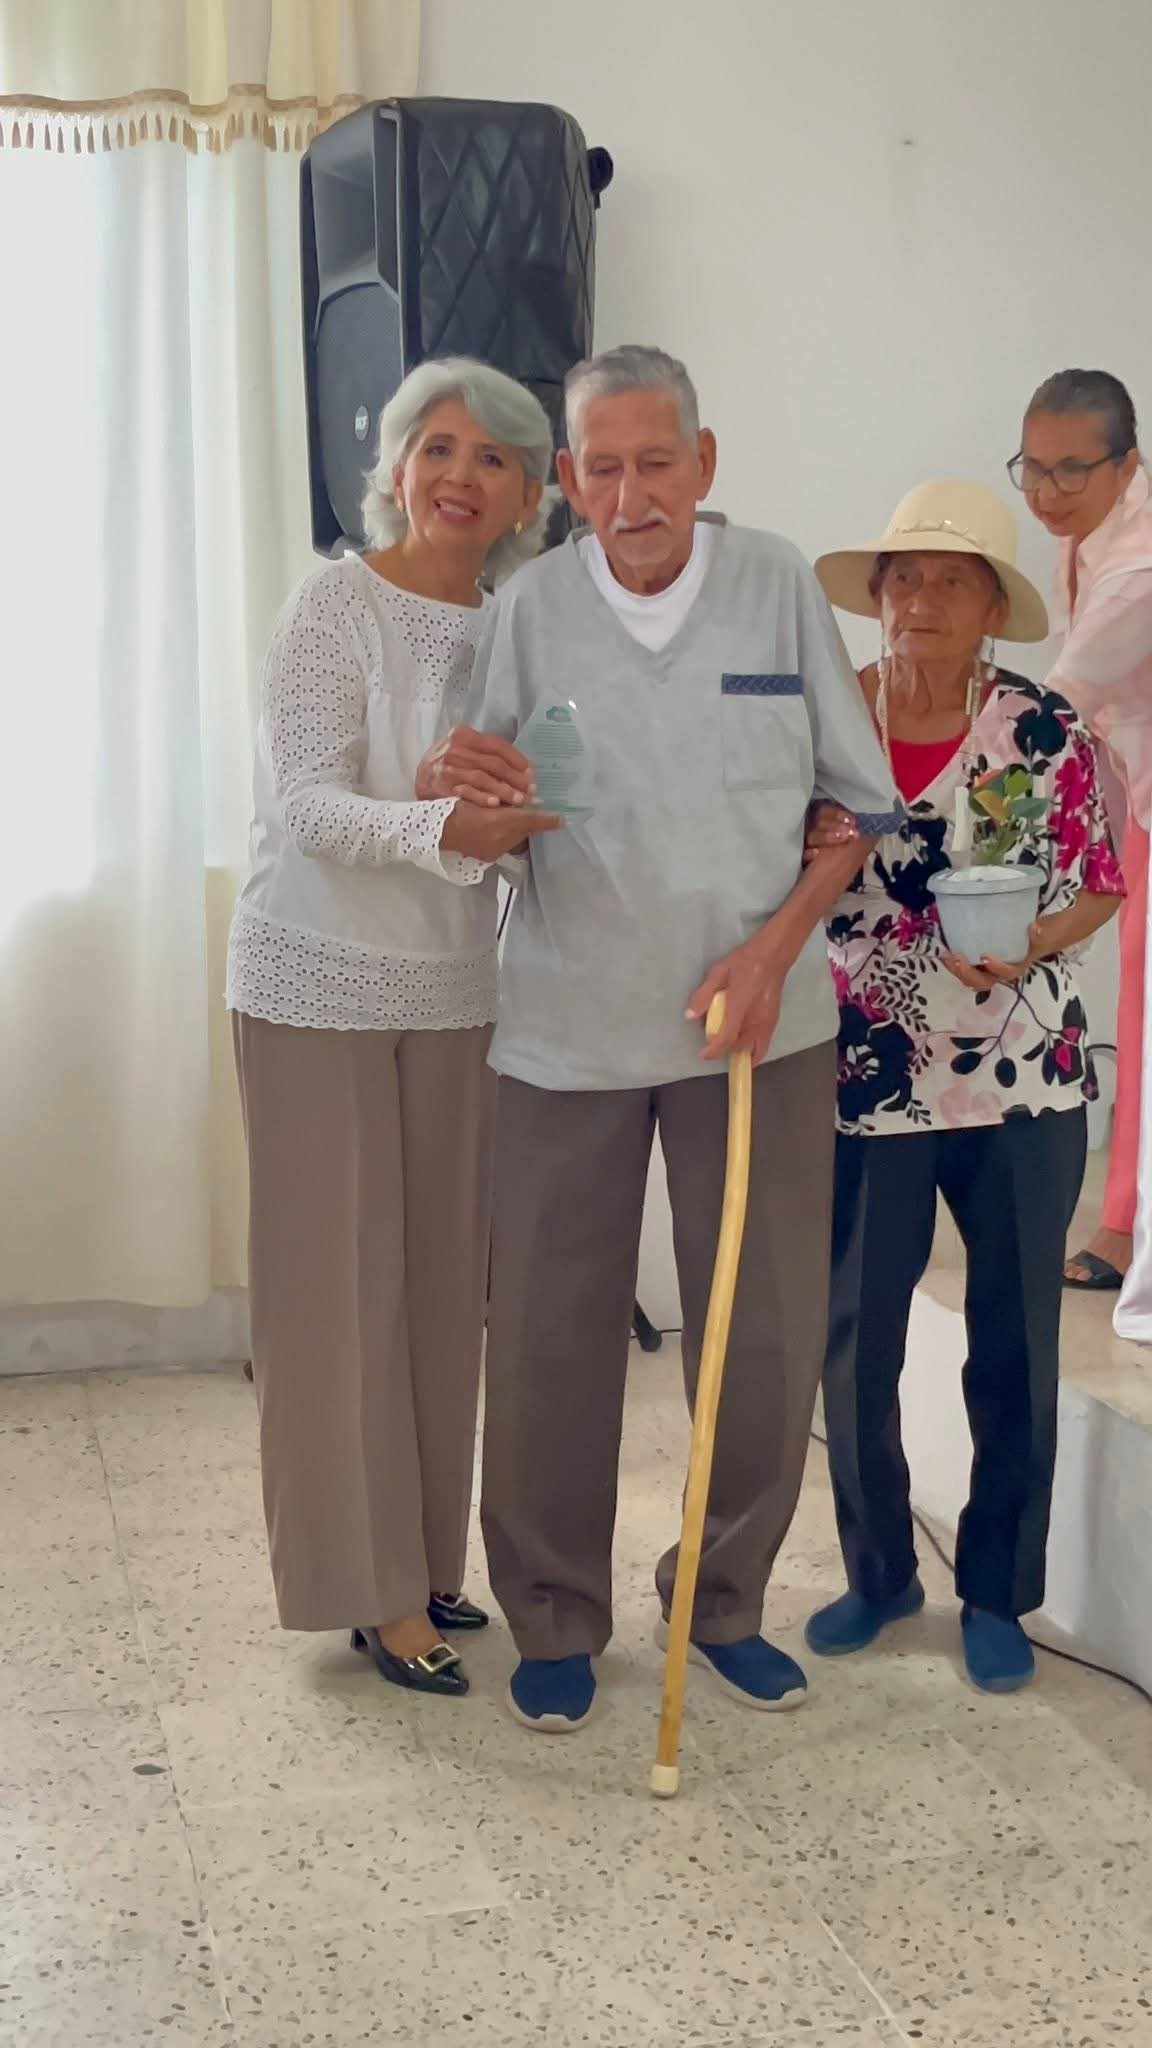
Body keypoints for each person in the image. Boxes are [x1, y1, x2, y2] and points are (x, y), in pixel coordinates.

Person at [418, 344, 902, 1732]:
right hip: (564, 1030)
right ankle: (555, 1612)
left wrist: (772, 950)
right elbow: (475, 809)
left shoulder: (776, 587)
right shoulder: (528, 608)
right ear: (569, 483)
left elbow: (856, 811)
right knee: (550, 1335)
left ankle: (725, 1601)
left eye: (656, 462)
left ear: (705, 463)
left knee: (761, 1334)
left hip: (758, 1033)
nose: (632, 496)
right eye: (603, 469)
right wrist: (469, 799)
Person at [227, 359, 562, 1699]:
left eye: (493, 457)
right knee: (335, 1299)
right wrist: (441, 820)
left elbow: (529, 814)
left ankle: (421, 1556)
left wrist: (511, 827)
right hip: (312, 982)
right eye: (438, 447)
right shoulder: (335, 603)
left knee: (434, 1298)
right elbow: (308, 803)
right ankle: (365, 1587)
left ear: (529, 494)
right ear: (398, 467)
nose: (459, 476)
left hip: (454, 992)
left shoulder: (517, 629)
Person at [804, 481, 1123, 1692]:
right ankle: (880, 1570)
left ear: (994, 606)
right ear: (875, 596)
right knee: (856, 1342)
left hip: (1023, 1078)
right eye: (903, 578)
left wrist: (1030, 940)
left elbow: (1100, 879)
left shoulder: (1044, 727)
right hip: (867, 1074)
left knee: (1015, 1344)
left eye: (952, 580)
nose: (922, 599)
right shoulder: (828, 718)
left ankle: (996, 1589)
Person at [1010, 369, 1152, 1293]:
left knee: (1145, 1016)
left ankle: (1123, 1225)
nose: (1048, 492)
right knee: (1136, 1009)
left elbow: (1060, 704)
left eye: (1072, 471)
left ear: (1127, 465)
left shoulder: (1138, 566)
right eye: (1033, 468)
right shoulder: (1087, 538)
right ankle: (1123, 1218)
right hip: (1137, 795)